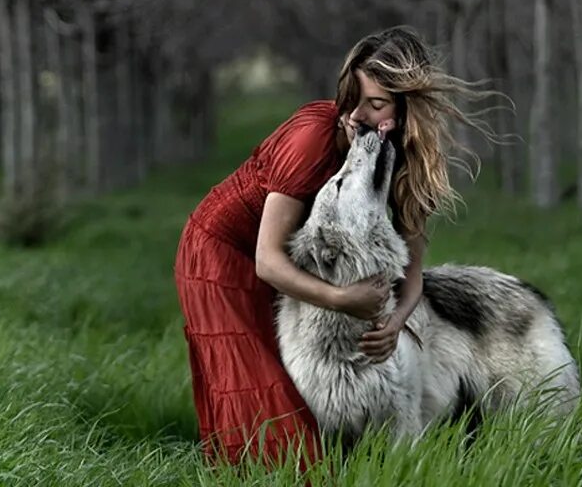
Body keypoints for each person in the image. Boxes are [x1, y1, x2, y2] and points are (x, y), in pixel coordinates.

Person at [173, 26, 494, 468]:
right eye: (354, 98)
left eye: (376, 104)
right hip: (226, 253)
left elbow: (412, 273)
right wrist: (344, 299)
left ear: (404, 110)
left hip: (297, 263)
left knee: (289, 398)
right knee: (263, 396)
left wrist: (394, 323)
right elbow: (268, 260)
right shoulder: (313, 139)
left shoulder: (407, 165)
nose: (358, 115)